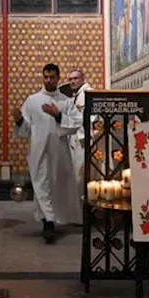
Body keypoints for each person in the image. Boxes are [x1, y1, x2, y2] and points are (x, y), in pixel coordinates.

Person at [14, 63, 78, 242]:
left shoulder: (65, 101)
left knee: (55, 185)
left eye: (52, 77)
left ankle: (51, 219)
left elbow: (76, 123)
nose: (48, 80)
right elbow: (26, 128)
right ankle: (48, 223)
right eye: (45, 77)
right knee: (41, 185)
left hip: (59, 151)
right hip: (38, 150)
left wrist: (58, 115)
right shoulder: (33, 100)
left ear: (58, 78)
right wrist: (19, 120)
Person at [61, 68, 93, 202]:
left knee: (81, 174)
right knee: (76, 174)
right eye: (71, 79)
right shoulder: (77, 95)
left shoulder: (88, 93)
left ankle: (82, 209)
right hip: (76, 141)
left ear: (83, 79)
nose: (72, 81)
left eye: (76, 78)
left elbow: (91, 117)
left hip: (84, 140)